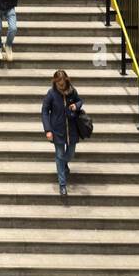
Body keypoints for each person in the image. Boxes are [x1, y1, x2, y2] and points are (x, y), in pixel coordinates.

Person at [41, 69, 83, 200]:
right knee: (59, 155)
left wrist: (76, 105)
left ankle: (63, 165)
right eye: (59, 84)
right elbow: (44, 111)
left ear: (66, 81)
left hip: (72, 130)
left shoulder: (72, 91)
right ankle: (62, 184)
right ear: (55, 82)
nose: (61, 86)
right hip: (57, 130)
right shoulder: (51, 94)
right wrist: (47, 130)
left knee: (70, 154)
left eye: (63, 83)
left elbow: (80, 101)